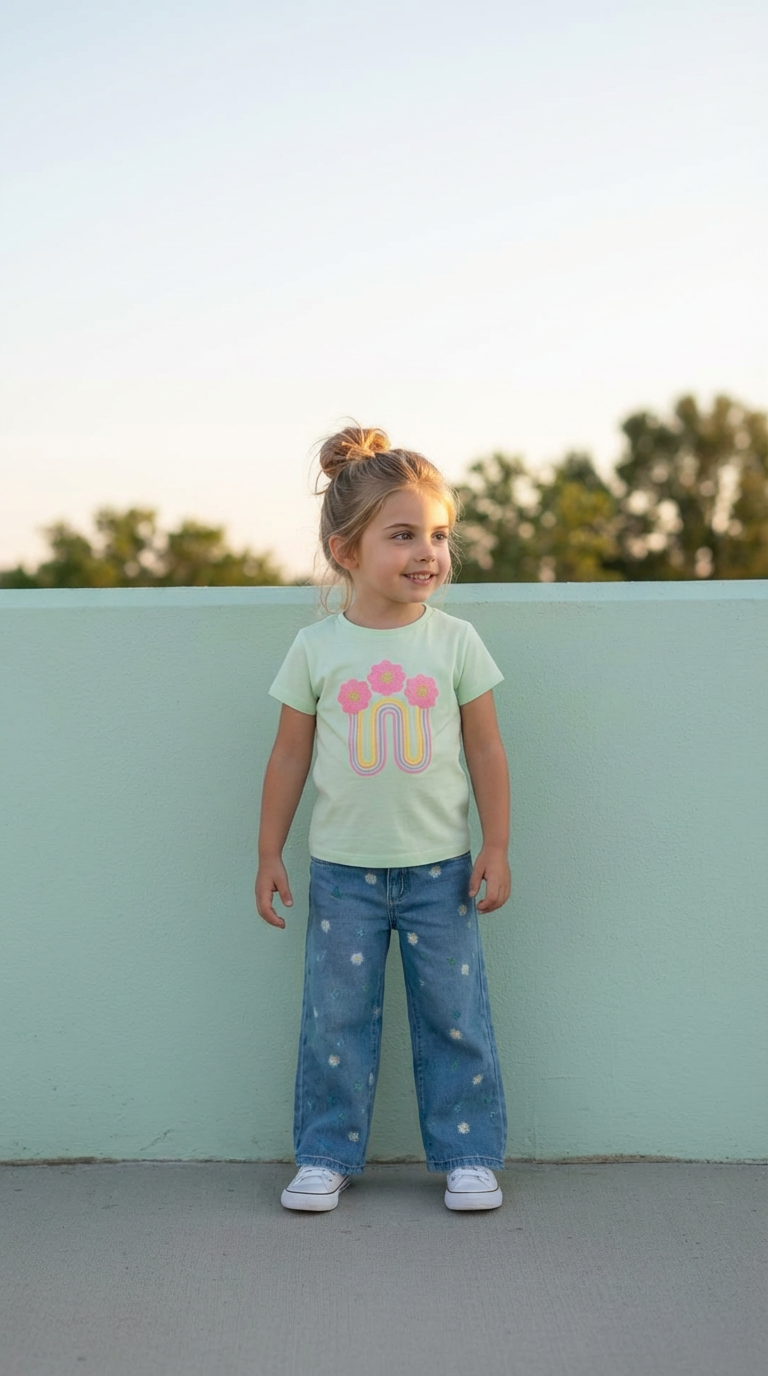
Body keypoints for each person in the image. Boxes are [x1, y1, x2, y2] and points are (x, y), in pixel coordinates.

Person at [255, 425, 511, 1213]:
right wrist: (269, 852)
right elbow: (289, 757)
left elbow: (487, 749)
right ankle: (324, 1155)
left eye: (438, 535)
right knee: (335, 1022)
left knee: (454, 1017)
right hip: (342, 874)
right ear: (346, 551)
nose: (427, 552)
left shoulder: (456, 643)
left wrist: (497, 845)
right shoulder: (316, 648)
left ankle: (468, 1154)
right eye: (403, 535)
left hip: (442, 871)